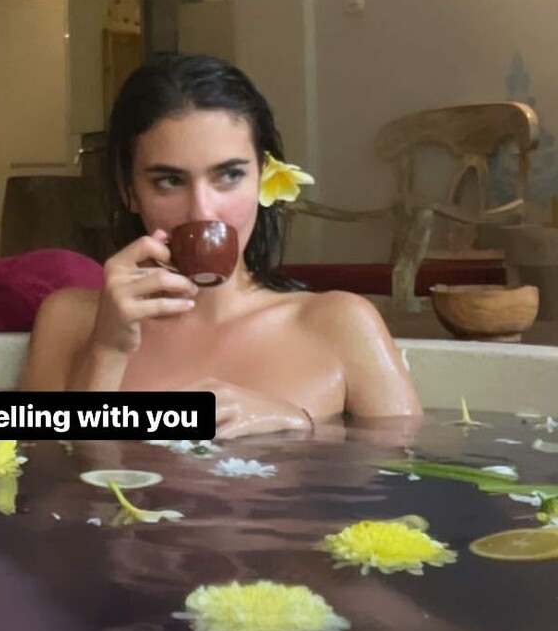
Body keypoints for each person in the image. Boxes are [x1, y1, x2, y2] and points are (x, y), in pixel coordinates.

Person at [21, 54, 422, 436]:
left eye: (229, 175)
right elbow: (42, 473)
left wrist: (299, 423)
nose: (202, 211)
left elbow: (407, 468)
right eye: (169, 181)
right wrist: (107, 350)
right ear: (129, 192)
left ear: (263, 177)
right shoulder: (71, 321)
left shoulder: (341, 324)